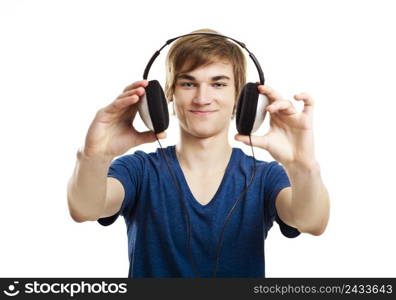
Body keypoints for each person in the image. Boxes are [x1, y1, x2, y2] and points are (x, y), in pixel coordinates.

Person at [67, 28, 330, 278]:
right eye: (188, 84)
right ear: (168, 94)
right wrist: (94, 155)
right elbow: (86, 208)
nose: (202, 98)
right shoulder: (139, 170)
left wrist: (302, 164)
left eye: (218, 84)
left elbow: (312, 222)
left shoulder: (263, 176)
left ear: (242, 97)